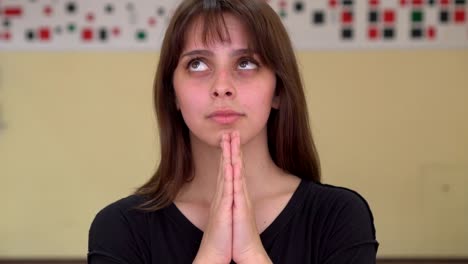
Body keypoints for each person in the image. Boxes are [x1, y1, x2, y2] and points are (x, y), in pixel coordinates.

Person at [88, 0, 379, 263]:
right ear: (172, 94)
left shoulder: (339, 216)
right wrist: (211, 254)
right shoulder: (120, 228)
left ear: (277, 89)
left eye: (246, 62)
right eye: (198, 64)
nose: (222, 86)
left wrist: (251, 253)